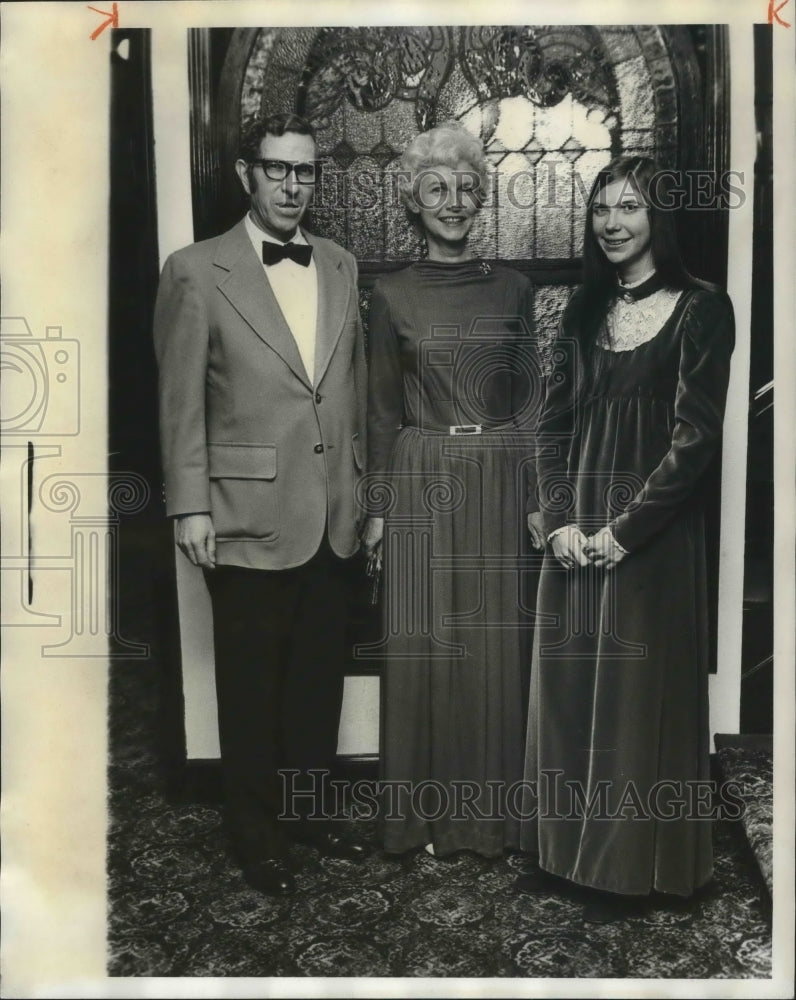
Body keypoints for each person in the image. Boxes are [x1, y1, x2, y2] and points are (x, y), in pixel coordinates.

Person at [153, 112, 368, 897]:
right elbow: (178, 402)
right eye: (276, 169)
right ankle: (254, 831)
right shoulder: (194, 270)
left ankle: (308, 812)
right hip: (241, 516)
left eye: (304, 171)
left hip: (333, 514)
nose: (291, 184)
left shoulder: (342, 266)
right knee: (249, 688)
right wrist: (189, 506)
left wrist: (366, 499)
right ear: (246, 173)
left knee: (318, 680)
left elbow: (350, 397)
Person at [517, 155, 735, 921]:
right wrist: (561, 521)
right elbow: (551, 427)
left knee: (636, 702)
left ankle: (630, 870)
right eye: (601, 208)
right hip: (575, 535)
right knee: (569, 696)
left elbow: (695, 441)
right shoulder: (581, 311)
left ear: (659, 219)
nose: (612, 222)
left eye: (630, 207)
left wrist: (623, 533)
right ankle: (561, 855)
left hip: (649, 542)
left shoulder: (705, 309)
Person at [361, 122, 545, 858]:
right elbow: (378, 408)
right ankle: (420, 821)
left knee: (493, 648)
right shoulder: (392, 294)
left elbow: (532, 400)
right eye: (438, 187)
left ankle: (489, 822)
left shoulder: (514, 287)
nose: (455, 201)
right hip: (419, 477)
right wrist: (376, 511)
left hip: (499, 476)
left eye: (467, 187)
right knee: (425, 645)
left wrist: (539, 497)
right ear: (414, 199)